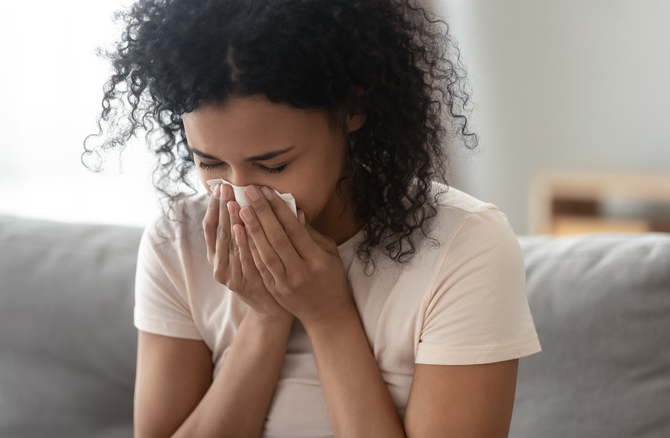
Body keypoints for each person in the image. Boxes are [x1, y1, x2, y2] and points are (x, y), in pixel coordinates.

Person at [84, 0, 541, 436]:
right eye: (210, 164)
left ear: (353, 109)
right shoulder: (176, 242)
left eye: (274, 165)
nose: (240, 196)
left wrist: (328, 315)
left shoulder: (464, 245)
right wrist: (265, 320)